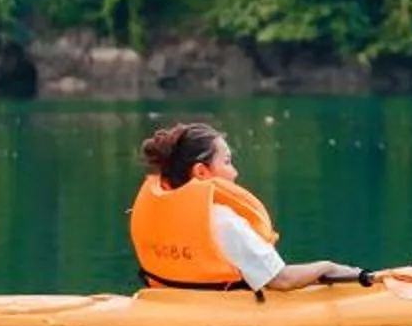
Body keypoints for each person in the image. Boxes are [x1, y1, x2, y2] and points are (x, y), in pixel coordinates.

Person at [130, 120, 365, 293]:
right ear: (202, 172)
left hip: (169, 303)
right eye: (227, 162)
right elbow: (281, 280)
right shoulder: (224, 221)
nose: (235, 172)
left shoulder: (162, 214)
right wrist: (327, 267)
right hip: (220, 310)